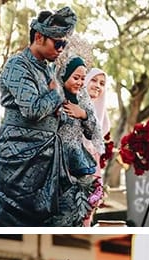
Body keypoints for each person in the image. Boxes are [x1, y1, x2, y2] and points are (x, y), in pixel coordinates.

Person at [0, 6, 77, 227]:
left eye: (64, 44)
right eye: (58, 43)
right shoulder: (17, 65)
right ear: (39, 37)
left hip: (47, 159)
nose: (61, 49)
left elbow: (57, 113)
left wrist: (58, 105)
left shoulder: (48, 70)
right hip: (18, 159)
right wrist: (56, 93)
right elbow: (33, 110)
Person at [53, 54, 98, 227]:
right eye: (76, 77)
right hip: (55, 160)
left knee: (76, 207)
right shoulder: (54, 98)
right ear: (64, 75)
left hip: (77, 160)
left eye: (83, 79)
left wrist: (83, 114)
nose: (80, 82)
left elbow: (92, 132)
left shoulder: (82, 103)